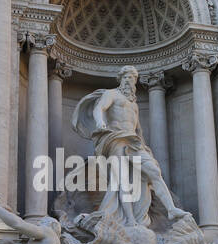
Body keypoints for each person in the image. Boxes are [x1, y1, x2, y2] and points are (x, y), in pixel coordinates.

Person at [71, 66, 187, 228]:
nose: (129, 81)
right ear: (120, 79)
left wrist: (144, 146)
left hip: (134, 142)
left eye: (132, 78)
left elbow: (138, 129)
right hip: (116, 138)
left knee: (154, 172)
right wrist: (100, 122)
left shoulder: (134, 105)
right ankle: (130, 219)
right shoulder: (111, 94)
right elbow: (99, 108)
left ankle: (171, 209)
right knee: (122, 179)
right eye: (126, 77)